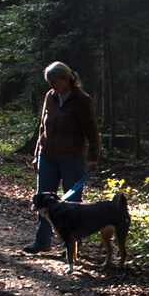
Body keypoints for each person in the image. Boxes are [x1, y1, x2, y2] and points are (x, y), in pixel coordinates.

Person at [22, 61, 100, 253]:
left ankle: (72, 246)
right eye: (49, 81)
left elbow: (92, 132)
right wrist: (36, 155)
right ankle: (42, 241)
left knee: (72, 204)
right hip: (47, 156)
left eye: (54, 81)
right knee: (43, 201)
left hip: (73, 158)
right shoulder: (50, 97)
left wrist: (92, 158)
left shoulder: (82, 100)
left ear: (66, 79)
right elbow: (42, 127)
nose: (51, 85)